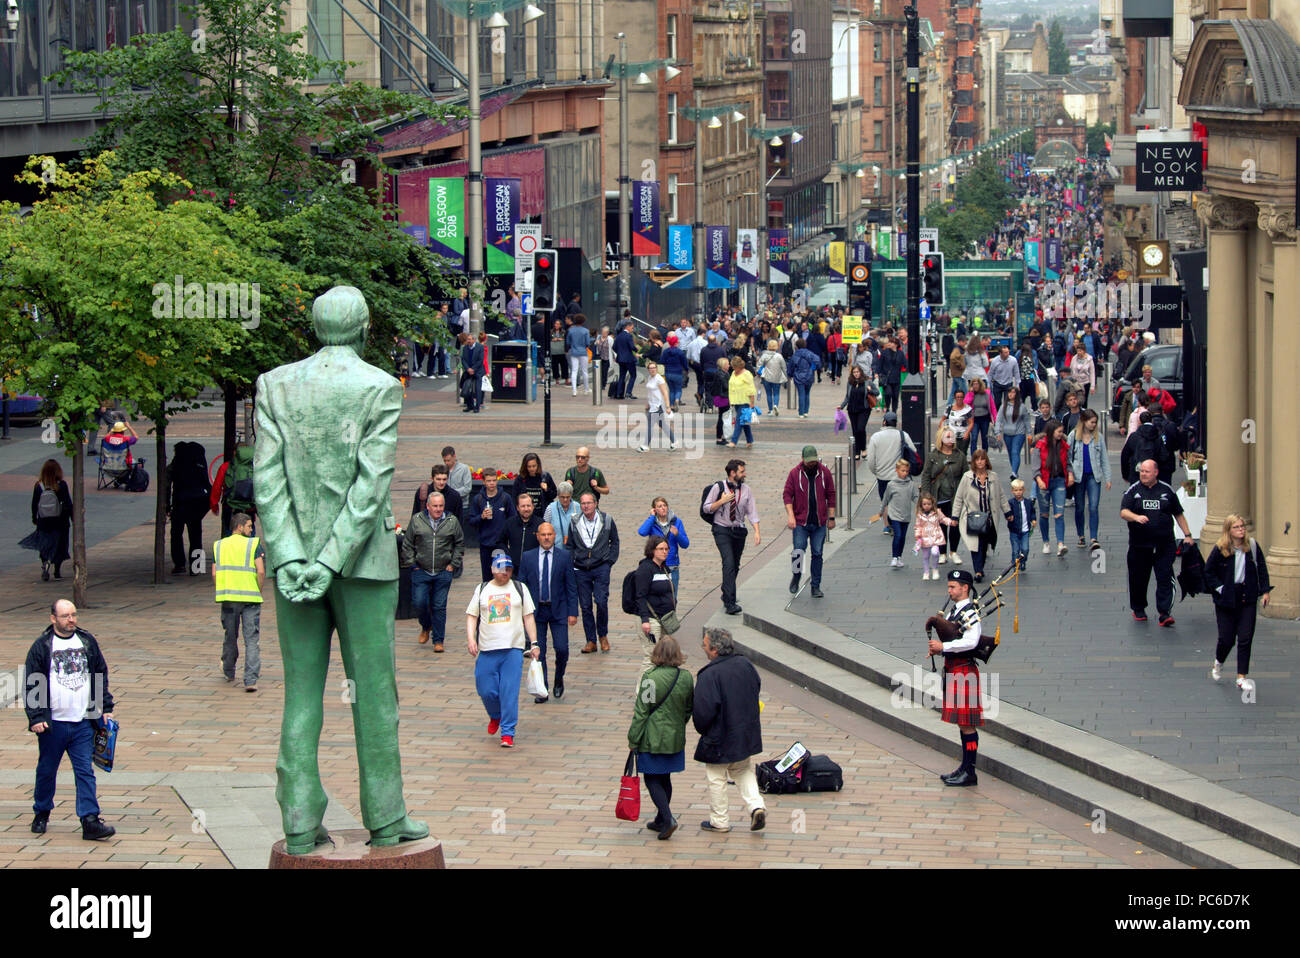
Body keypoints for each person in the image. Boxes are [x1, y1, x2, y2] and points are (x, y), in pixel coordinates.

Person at [254, 285, 426, 853]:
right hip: (363, 568)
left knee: (300, 694)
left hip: (293, 567)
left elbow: (267, 481)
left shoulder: (274, 385)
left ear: (313, 326)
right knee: (375, 695)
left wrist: (291, 557)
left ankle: (299, 822)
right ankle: (386, 817)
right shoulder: (379, 387)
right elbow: (371, 485)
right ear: (363, 326)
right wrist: (332, 560)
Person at [24, 599, 117, 840]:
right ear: (53, 618)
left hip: (82, 723)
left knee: (85, 771)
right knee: (46, 770)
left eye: (73, 615)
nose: (71, 620)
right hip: (53, 724)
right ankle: (41, 812)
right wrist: (36, 717)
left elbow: (99, 673)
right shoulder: (43, 646)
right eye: (65, 616)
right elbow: (33, 681)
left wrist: (104, 707)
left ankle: (90, 820)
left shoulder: (87, 641)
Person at [694, 628, 766, 832]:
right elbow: (756, 688)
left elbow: (703, 711)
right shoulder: (745, 664)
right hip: (744, 731)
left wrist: (703, 729)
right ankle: (756, 806)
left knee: (716, 775)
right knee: (742, 769)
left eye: (705, 645)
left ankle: (720, 820)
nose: (704, 649)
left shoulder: (709, 674)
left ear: (715, 650)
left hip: (719, 736)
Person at [465, 551, 540, 748]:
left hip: (512, 649)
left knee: (509, 691)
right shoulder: (482, 589)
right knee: (485, 689)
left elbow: (528, 617)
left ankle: (508, 732)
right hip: (487, 649)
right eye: (500, 569)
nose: (504, 573)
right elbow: (472, 616)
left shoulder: (519, 588)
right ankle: (495, 715)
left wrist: (534, 642)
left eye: (508, 569)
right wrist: (471, 639)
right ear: (492, 570)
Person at [628, 635, 694, 840]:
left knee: (651, 778)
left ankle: (667, 818)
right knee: (665, 776)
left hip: (652, 737)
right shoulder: (685, 677)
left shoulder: (650, 678)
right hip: (674, 736)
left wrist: (633, 738)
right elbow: (688, 708)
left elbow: (642, 712)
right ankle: (660, 819)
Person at [1120, 459, 1195, 627]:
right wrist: (1136, 517)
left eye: (1147, 471)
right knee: (1138, 578)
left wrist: (1188, 535)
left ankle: (1164, 612)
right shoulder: (1134, 490)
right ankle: (1139, 608)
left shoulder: (1166, 490)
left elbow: (1178, 514)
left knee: (1164, 577)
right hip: (1140, 545)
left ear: (1156, 473)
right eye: (1141, 471)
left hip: (1164, 544)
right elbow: (1124, 512)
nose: (1143, 474)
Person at [925, 570, 983, 787]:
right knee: (962, 723)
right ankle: (964, 768)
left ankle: (970, 771)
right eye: (948, 587)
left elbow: (972, 641)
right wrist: (938, 650)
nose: (949, 591)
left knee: (967, 723)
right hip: (954, 668)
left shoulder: (971, 612)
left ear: (964, 587)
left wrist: (944, 647)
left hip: (964, 671)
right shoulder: (954, 611)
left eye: (953, 587)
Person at [1204, 514, 1272, 695]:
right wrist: (1220, 588)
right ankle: (1219, 662)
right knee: (1226, 639)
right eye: (1236, 527)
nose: (1241, 530)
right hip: (1226, 599)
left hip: (1247, 596)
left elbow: (1262, 569)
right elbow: (1208, 571)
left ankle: (1241, 677)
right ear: (1229, 530)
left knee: (1245, 638)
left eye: (1242, 526)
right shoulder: (1221, 549)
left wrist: (1265, 591)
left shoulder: (1253, 547)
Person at [519, 522, 578, 702]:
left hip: (558, 609)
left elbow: (571, 585)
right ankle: (542, 688)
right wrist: (522, 612)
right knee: (539, 651)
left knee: (562, 649)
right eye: (543, 535)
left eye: (549, 535)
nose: (546, 538)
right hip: (536, 612)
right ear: (537, 536)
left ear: (555, 536)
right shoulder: (528, 557)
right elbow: (522, 585)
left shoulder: (564, 557)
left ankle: (558, 678)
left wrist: (572, 611)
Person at [400, 491, 463, 652]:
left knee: (439, 606)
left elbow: (459, 543)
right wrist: (412, 564)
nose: (438, 509)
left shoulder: (451, 521)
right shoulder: (417, 520)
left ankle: (438, 640)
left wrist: (453, 564)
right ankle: (426, 626)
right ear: (427, 506)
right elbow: (407, 544)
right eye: (435, 506)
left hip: (443, 570)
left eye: (441, 506)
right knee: (419, 603)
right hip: (421, 569)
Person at [212, 511, 265, 690]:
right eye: (249, 526)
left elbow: (214, 573)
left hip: (228, 598)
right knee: (251, 639)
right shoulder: (254, 545)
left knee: (230, 635)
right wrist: (258, 589)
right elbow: (261, 571)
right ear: (240, 527)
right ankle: (250, 680)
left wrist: (223, 588)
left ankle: (228, 670)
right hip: (251, 597)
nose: (252, 530)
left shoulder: (219, 545)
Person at [704, 459, 762, 615]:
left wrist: (756, 531)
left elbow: (752, 511)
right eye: (741, 471)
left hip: (738, 531)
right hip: (721, 529)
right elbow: (707, 507)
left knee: (735, 565)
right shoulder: (718, 487)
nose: (744, 474)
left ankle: (726, 590)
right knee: (728, 562)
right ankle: (730, 602)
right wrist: (721, 501)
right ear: (732, 473)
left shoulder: (747, 490)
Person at [570, 491, 620, 653]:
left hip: (600, 567)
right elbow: (569, 545)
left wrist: (609, 561)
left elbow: (615, 541)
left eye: (588, 503)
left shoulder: (606, 520)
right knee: (585, 606)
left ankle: (603, 635)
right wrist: (573, 561)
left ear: (595, 503)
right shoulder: (574, 521)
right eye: (583, 503)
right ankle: (590, 640)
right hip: (581, 568)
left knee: (601, 601)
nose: (585, 506)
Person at [783, 445, 836, 596]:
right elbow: (787, 495)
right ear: (803, 460)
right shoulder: (794, 473)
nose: (812, 464)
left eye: (814, 461)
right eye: (809, 461)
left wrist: (831, 517)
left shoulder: (824, 472)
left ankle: (815, 585)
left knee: (818, 553)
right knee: (798, 550)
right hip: (801, 522)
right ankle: (797, 575)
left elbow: (831, 495)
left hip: (819, 522)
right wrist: (791, 515)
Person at [952, 448, 1008, 583]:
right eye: (977, 459)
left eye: (982, 459)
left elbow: (1001, 495)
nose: (980, 462)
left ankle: (980, 566)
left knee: (983, 543)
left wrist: (1008, 511)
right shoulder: (967, 477)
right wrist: (955, 516)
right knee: (975, 544)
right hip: (972, 517)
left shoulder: (993, 477)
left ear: (986, 460)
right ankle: (978, 570)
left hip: (988, 517)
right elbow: (959, 498)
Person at [919, 427, 967, 564]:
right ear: (941, 438)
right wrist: (926, 496)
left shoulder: (960, 456)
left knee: (954, 524)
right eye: (947, 437)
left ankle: (954, 552)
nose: (950, 440)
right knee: (940, 526)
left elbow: (966, 475)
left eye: (952, 437)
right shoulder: (933, 456)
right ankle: (942, 553)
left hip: (955, 496)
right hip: (938, 496)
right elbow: (926, 476)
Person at [634, 535, 678, 674]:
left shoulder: (665, 569)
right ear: (652, 550)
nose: (664, 552)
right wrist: (645, 620)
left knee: (663, 656)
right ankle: (641, 692)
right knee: (651, 656)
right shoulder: (645, 569)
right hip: (651, 619)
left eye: (666, 549)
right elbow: (640, 596)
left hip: (664, 619)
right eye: (660, 549)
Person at [1068, 409, 1111, 552]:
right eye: (1091, 422)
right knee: (1079, 507)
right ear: (1084, 421)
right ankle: (1081, 535)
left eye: (1095, 422)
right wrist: (1070, 474)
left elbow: (1104, 458)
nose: (1094, 425)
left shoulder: (1098, 437)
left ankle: (1094, 538)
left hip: (1094, 475)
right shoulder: (1073, 436)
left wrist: (1108, 478)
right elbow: (1067, 457)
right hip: (1078, 476)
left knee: (1093, 507)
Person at [166, 442, 211, 576]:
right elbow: (206, 482)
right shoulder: (199, 462)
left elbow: (166, 484)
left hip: (180, 502)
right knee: (196, 535)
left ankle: (179, 564)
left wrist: (166, 505)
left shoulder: (176, 464)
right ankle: (197, 567)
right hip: (197, 503)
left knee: (176, 534)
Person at [467, 468, 517, 581]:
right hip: (485, 543)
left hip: (501, 543)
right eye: (489, 481)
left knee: (502, 574)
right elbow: (471, 521)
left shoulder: (505, 498)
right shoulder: (478, 499)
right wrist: (481, 516)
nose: (492, 483)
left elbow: (512, 519)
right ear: (484, 482)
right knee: (487, 575)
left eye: (494, 480)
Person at [1035, 419, 1074, 557]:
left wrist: (1070, 474)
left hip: (1059, 481)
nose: (1061, 434)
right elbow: (1036, 468)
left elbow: (1068, 463)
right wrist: (1039, 480)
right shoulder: (1040, 446)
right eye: (1059, 432)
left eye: (1062, 431)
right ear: (1051, 432)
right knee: (1044, 514)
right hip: (1044, 482)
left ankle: (1060, 543)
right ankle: (1046, 542)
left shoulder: (1064, 446)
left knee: (1059, 513)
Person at [870, 458, 918, 569]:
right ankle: (894, 557)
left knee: (903, 537)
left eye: (906, 471)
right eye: (902, 470)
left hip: (906, 515)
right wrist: (881, 512)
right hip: (894, 515)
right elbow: (885, 499)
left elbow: (915, 497)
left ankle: (899, 556)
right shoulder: (891, 485)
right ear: (897, 470)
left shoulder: (911, 484)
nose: (905, 473)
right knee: (898, 534)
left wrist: (921, 507)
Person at [30, 460, 73, 582]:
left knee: (45, 544)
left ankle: (45, 564)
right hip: (60, 521)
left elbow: (34, 504)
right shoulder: (62, 485)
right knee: (60, 544)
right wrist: (72, 517)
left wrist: (35, 518)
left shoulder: (39, 486)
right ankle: (57, 571)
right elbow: (68, 503)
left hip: (44, 521)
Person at [637, 497, 690, 595]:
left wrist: (677, 534)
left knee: (672, 597)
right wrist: (652, 517)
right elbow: (642, 532)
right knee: (655, 595)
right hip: (655, 565)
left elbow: (685, 544)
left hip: (672, 565)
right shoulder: (652, 523)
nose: (663, 508)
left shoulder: (677, 522)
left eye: (664, 505)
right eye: (659, 506)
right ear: (654, 509)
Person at [914, 492, 958, 581]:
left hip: (935, 536)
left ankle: (935, 569)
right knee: (926, 556)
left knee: (935, 552)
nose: (926, 506)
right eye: (924, 504)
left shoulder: (937, 512)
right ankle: (926, 572)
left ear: (932, 504)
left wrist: (950, 522)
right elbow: (918, 526)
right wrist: (917, 535)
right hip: (924, 537)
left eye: (929, 504)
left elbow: (943, 519)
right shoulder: (919, 515)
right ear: (921, 505)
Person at [640, 360, 679, 452]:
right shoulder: (650, 377)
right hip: (652, 405)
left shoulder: (659, 379)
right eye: (650, 368)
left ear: (657, 369)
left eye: (654, 368)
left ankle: (645, 445)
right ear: (648, 370)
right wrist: (647, 403)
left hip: (658, 406)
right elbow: (650, 392)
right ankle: (674, 441)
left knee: (650, 425)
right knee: (663, 425)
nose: (652, 369)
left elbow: (665, 393)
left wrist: (668, 406)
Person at [840, 364, 876, 460]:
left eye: (857, 372)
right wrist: (842, 406)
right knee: (855, 430)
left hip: (864, 409)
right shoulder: (850, 382)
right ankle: (857, 451)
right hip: (852, 409)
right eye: (854, 372)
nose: (856, 374)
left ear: (861, 372)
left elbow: (877, 392)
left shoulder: (867, 382)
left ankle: (863, 448)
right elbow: (847, 396)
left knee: (861, 428)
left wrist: (870, 390)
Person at [993, 386, 1029, 478]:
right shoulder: (1003, 406)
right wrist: (997, 432)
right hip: (1007, 433)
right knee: (1010, 453)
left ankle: (1013, 473)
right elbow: (998, 420)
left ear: (1016, 394)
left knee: (1015, 451)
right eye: (1009, 392)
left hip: (1019, 433)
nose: (1011, 394)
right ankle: (1015, 472)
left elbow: (1026, 421)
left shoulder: (1022, 407)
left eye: (1013, 392)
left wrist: (1029, 433)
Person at [726, 356, 758, 448]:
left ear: (739, 366)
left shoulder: (747, 374)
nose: (732, 368)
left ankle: (733, 441)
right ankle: (750, 440)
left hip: (744, 401)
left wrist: (752, 402)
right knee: (744, 422)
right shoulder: (733, 373)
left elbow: (751, 389)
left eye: (734, 366)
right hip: (736, 400)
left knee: (739, 421)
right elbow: (731, 386)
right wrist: (730, 400)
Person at [1005, 478, 1036, 574]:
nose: (1018, 492)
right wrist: (1009, 517)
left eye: (1020, 490)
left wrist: (1033, 519)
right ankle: (1015, 565)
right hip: (1014, 530)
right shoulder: (1010, 502)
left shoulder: (1028, 502)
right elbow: (1007, 512)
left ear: (1023, 490)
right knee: (1015, 550)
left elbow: (1032, 512)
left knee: (1025, 549)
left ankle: (1023, 561)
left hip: (1025, 530)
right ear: (1012, 491)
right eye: (1016, 490)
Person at [505, 492, 542, 569]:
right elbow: (500, 542)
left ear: (533, 506)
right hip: (514, 568)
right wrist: (508, 554)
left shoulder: (541, 524)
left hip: (534, 567)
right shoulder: (510, 523)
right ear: (517, 508)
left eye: (528, 506)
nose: (526, 509)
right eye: (523, 506)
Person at [788, 338, 819, 419]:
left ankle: (801, 412)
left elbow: (791, 366)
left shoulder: (795, 355)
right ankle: (806, 411)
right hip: (809, 375)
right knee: (807, 394)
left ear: (797, 346)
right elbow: (817, 361)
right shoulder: (810, 354)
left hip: (799, 376)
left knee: (801, 394)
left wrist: (790, 374)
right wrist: (813, 368)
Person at [544, 480, 580, 548]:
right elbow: (545, 528)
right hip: (556, 548)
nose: (565, 500)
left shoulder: (578, 507)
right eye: (562, 497)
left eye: (568, 497)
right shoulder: (550, 508)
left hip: (574, 549)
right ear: (558, 496)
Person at [757, 339, 787, 416]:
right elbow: (784, 367)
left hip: (766, 377)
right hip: (777, 377)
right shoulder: (779, 356)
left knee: (769, 394)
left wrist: (759, 372)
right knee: (776, 393)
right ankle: (775, 405)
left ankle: (770, 410)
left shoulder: (764, 355)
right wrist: (786, 376)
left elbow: (758, 365)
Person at [660, 334, 689, 411]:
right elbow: (684, 363)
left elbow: (662, 361)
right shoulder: (680, 352)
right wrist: (686, 369)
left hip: (668, 372)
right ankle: (677, 399)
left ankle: (671, 405)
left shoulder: (666, 352)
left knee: (671, 390)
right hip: (678, 372)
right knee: (678, 389)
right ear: (676, 343)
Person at [966, 378, 996, 453]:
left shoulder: (987, 393)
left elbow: (992, 407)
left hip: (984, 419)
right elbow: (966, 403)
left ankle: (984, 455)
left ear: (980, 384)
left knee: (984, 438)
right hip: (974, 420)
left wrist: (995, 419)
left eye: (977, 384)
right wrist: (971, 394)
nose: (975, 386)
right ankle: (974, 456)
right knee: (974, 438)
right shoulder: (970, 394)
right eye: (974, 384)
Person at [877, 337, 904, 414]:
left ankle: (894, 410)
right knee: (888, 393)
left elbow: (904, 363)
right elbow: (880, 363)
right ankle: (887, 407)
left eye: (892, 342)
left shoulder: (900, 353)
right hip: (887, 378)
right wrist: (878, 373)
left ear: (896, 345)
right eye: (890, 342)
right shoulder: (885, 352)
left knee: (895, 395)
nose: (890, 344)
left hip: (896, 378)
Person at [708, 356, 732, 445]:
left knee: (722, 417)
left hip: (721, 397)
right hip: (722, 397)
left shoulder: (722, 373)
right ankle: (720, 438)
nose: (729, 365)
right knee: (723, 418)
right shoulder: (722, 374)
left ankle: (720, 437)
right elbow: (726, 386)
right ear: (723, 365)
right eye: (727, 364)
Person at [566, 314, 592, 394]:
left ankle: (574, 390)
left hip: (574, 351)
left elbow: (568, 342)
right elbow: (588, 342)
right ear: (583, 321)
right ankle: (586, 389)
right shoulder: (586, 331)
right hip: (583, 352)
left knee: (574, 370)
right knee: (584, 371)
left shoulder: (571, 330)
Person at [988, 344, 1018, 411]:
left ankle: (1006, 416)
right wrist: (988, 385)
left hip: (1008, 383)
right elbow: (990, 374)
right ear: (1000, 353)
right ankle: (997, 415)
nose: (1007, 354)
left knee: (1007, 402)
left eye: (1008, 352)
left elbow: (1016, 373)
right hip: (997, 383)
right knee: (997, 402)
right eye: (1005, 352)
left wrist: (1018, 384)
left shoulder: (1013, 360)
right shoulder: (995, 361)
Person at [460, 332, 485, 412]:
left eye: (470, 339)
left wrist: (473, 369)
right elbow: (463, 359)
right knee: (466, 387)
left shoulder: (480, 347)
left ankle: (477, 407)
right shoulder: (465, 348)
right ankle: (469, 405)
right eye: (467, 339)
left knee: (477, 389)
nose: (468, 341)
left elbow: (480, 360)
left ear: (474, 340)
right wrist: (468, 369)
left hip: (477, 371)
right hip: (468, 371)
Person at [613, 320, 638, 399]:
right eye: (632, 327)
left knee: (622, 376)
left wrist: (620, 353)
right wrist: (636, 349)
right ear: (627, 326)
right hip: (629, 359)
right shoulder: (628, 336)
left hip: (620, 359)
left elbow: (614, 347)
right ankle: (628, 392)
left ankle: (619, 393)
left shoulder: (618, 336)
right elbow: (632, 346)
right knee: (633, 375)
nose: (632, 329)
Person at [1068, 339, 1096, 408]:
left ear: (1084, 351)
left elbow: (1092, 373)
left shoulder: (1089, 359)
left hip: (1085, 383)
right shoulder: (1074, 358)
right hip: (1076, 383)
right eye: (1077, 351)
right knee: (1075, 400)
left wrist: (1092, 386)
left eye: (1080, 351)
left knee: (1083, 401)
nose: (1079, 352)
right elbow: (1071, 369)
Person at [946, 389, 974, 455]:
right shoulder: (949, 408)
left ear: (963, 398)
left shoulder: (968, 409)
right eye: (958, 397)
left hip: (963, 435)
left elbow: (971, 423)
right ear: (955, 398)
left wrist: (967, 433)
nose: (959, 399)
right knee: (952, 453)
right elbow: (943, 420)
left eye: (961, 397)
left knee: (962, 453)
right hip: (952, 435)